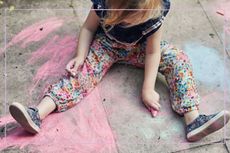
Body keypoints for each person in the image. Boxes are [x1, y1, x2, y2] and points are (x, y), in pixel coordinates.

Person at [9, 0, 230, 142]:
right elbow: (87, 28)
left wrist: (147, 88)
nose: (126, 21)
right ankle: (38, 113)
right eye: (122, 17)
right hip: (106, 46)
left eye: (132, 18)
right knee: (81, 75)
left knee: (178, 58)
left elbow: (153, 52)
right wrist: (80, 55)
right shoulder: (104, 3)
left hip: (141, 49)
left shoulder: (155, 9)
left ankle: (193, 119)